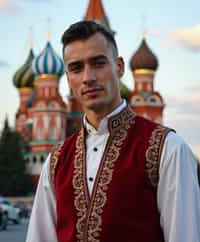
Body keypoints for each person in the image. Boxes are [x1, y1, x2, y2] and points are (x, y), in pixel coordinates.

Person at [26, 20, 200, 242]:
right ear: (68, 79)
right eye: (76, 68)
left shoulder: (167, 150)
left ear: (119, 67)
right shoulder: (56, 161)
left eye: (98, 63)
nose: (88, 77)